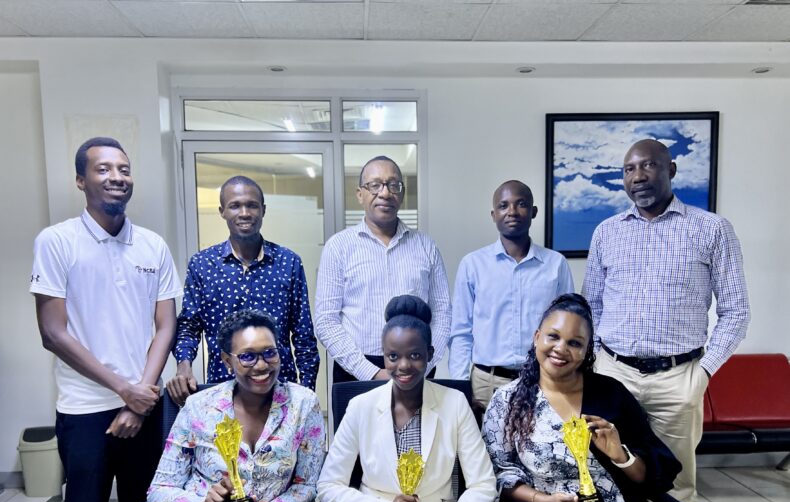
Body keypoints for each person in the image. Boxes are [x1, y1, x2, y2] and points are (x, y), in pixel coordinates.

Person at [583, 139, 749, 502]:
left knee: (676, 482)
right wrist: (595, 369)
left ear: (671, 169)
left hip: (679, 375)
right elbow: (591, 306)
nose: (638, 176)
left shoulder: (711, 229)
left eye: (648, 165)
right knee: (604, 474)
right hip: (613, 375)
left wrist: (703, 373)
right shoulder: (607, 232)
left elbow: (736, 312)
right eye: (629, 169)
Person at [30, 137, 181, 502]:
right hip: (84, 411)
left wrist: (141, 397)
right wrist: (124, 390)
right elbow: (54, 333)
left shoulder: (152, 245)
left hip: (145, 404)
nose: (117, 176)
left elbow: (165, 326)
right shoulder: (57, 241)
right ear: (81, 180)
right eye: (103, 169)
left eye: (124, 168)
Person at [482, 293, 681, 502]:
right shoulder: (509, 401)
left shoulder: (611, 393)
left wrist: (621, 454)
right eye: (553, 337)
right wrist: (544, 501)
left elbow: (659, 473)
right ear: (537, 338)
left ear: (588, 350)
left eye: (575, 342)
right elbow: (499, 475)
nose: (561, 349)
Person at [318, 295, 497, 502]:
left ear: (430, 356)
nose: (403, 366)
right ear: (384, 357)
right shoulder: (361, 406)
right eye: (393, 356)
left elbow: (484, 484)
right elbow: (328, 486)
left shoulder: (454, 403)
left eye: (415, 355)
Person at [145, 309, 325, 502]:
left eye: (269, 353)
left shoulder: (302, 404)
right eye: (247, 357)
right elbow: (159, 489)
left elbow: (308, 485)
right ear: (227, 362)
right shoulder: (200, 406)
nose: (261, 365)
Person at [168, 175, 319, 405]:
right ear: (222, 211)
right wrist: (183, 366)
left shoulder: (288, 263)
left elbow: (303, 335)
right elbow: (189, 325)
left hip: (280, 390)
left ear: (263, 210)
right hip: (223, 389)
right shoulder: (203, 264)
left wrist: (307, 394)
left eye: (252, 205)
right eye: (235, 206)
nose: (245, 213)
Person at [314, 156, 451, 383]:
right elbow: (326, 320)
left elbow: (442, 313)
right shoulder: (338, 246)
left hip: (416, 368)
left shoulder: (426, 246)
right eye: (375, 185)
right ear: (360, 194)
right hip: (355, 370)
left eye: (393, 184)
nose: (385, 193)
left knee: (419, 421)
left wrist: (424, 365)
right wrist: (370, 372)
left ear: (402, 192)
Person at [449, 179, 574, 412]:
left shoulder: (555, 265)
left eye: (521, 204)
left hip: (542, 380)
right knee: (485, 449)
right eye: (503, 206)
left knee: (540, 448)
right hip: (486, 385)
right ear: (493, 214)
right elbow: (461, 331)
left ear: (533, 212)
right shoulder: (473, 265)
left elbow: (568, 330)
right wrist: (461, 385)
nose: (512, 212)